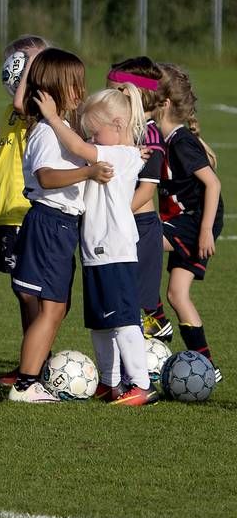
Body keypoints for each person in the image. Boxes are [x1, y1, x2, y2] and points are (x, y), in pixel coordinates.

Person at [35, 84, 158, 405]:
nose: (90, 138)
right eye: (88, 132)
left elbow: (76, 144)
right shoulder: (116, 150)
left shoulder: (121, 153)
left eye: (95, 132)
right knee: (101, 323)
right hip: (95, 252)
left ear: (118, 125)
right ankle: (110, 383)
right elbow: (82, 145)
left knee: (124, 320)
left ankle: (142, 385)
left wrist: (51, 116)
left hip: (114, 250)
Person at [8, 48, 113, 403]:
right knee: (51, 308)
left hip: (60, 225)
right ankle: (26, 383)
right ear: (53, 88)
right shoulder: (46, 133)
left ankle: (33, 373)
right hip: (49, 222)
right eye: (74, 84)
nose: (80, 91)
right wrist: (89, 171)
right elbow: (47, 177)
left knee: (56, 308)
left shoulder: (60, 128)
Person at [0, 35, 48, 385]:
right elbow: (9, 140)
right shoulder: (13, 111)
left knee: (27, 290)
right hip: (7, 213)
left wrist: (33, 67)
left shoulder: (35, 107)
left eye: (26, 65)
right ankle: (31, 360)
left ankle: (35, 364)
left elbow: (22, 107)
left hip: (24, 210)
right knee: (21, 291)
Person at [155, 63, 224, 383]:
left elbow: (212, 184)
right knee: (178, 295)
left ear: (164, 103)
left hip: (195, 221)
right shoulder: (164, 138)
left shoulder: (180, 141)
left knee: (140, 240)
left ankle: (153, 318)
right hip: (185, 220)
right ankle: (208, 367)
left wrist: (206, 230)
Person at [105, 57, 171, 344]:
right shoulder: (121, 131)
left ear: (132, 94)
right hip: (124, 223)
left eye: (112, 91)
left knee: (136, 306)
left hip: (140, 227)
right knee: (123, 302)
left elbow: (146, 190)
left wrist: (113, 215)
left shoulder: (149, 133)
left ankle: (151, 357)